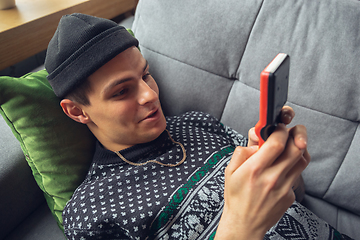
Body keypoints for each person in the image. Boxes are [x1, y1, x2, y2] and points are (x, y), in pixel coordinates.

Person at [44, 13, 352, 240]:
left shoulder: (196, 122)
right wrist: (240, 228)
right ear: (76, 112)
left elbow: (296, 198)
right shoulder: (91, 210)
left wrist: (284, 169)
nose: (151, 95)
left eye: (146, 75)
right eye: (122, 91)